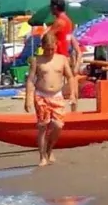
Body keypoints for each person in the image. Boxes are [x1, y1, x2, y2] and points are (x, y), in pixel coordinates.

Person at [25, 30, 76, 167]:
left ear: (56, 46)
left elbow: (70, 77)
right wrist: (28, 99)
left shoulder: (62, 59)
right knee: (42, 127)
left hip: (57, 95)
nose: (49, 51)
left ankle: (49, 149)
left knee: (58, 125)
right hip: (41, 95)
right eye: (47, 49)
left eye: (52, 49)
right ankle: (42, 157)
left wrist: (72, 94)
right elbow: (30, 80)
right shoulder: (37, 60)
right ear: (42, 46)